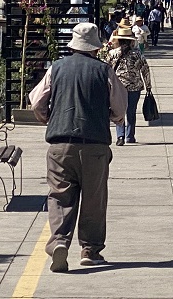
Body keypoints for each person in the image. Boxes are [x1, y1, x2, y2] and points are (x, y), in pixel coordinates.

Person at [29, 23, 128, 272]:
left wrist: (49, 118)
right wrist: (110, 117)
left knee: (60, 197)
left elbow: (36, 102)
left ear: (73, 45)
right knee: (94, 199)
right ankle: (90, 250)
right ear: (95, 47)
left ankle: (60, 242)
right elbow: (119, 109)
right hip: (95, 145)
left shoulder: (57, 68)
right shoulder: (104, 71)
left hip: (60, 144)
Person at [102, 22, 152, 146]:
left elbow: (105, 68)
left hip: (118, 87)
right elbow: (145, 69)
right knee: (131, 111)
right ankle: (130, 136)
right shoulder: (137, 54)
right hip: (134, 86)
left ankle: (120, 136)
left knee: (118, 111)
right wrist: (148, 86)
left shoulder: (113, 54)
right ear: (131, 41)